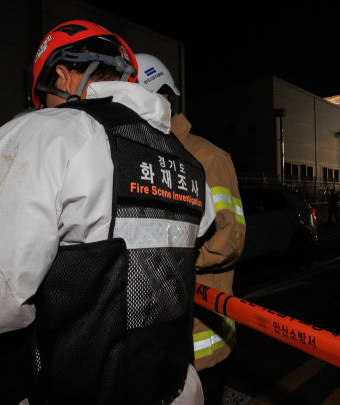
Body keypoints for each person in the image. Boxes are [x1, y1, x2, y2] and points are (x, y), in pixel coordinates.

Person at [0, 21, 215, 405]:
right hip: (174, 387)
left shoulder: (52, 132)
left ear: (63, 77)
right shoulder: (186, 161)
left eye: (41, 99)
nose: (41, 109)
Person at [136, 53, 245, 405]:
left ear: (163, 98)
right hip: (155, 340)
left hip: (202, 342)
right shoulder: (143, 157)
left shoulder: (207, 157)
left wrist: (179, 260)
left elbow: (230, 239)